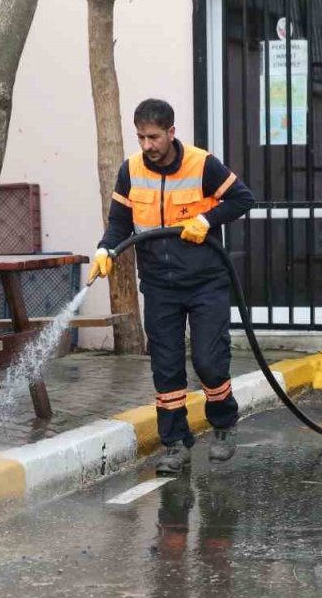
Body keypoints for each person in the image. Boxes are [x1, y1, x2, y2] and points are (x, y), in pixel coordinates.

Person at [88, 98, 256, 475]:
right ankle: (176, 444)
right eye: (141, 137)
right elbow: (119, 222)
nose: (147, 145)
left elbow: (243, 199)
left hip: (205, 282)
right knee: (166, 369)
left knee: (209, 362)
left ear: (171, 133)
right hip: (159, 285)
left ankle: (224, 424)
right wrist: (105, 249)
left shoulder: (202, 164)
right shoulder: (130, 171)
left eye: (154, 137)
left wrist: (207, 220)